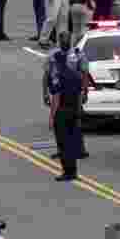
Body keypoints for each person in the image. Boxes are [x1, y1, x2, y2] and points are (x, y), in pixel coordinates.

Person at [46, 32, 85, 181]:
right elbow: (80, 91)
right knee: (72, 140)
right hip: (74, 108)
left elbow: (56, 97)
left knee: (63, 143)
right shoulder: (76, 75)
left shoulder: (58, 76)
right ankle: (73, 170)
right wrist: (79, 108)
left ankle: (67, 171)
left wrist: (51, 116)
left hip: (62, 111)